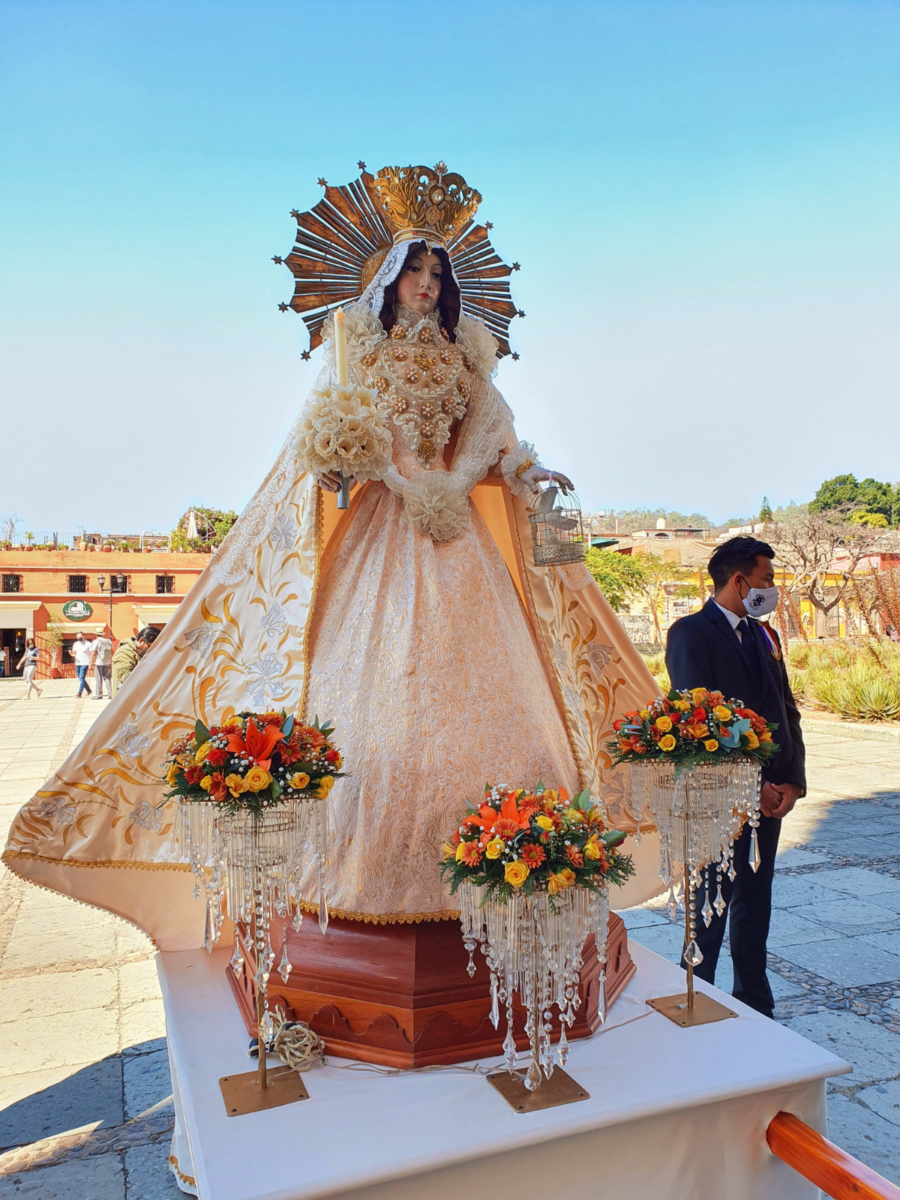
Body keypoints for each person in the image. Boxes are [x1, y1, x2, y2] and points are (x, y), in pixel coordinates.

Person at [4, 161, 660, 946]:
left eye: (435, 270)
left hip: (463, 550)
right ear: (386, 281)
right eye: (413, 268)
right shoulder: (359, 359)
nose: (425, 281)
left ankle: (515, 871)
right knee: (370, 704)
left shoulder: (468, 365)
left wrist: (527, 470)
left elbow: (498, 446)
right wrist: (347, 460)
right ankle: (358, 888)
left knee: (505, 711)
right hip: (383, 547)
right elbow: (323, 457)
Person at [665, 536, 806, 1018]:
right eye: (766, 579)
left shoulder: (765, 635)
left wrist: (792, 782)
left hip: (770, 798)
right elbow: (699, 722)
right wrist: (751, 784)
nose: (771, 587)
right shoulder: (690, 633)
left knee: (755, 907)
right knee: (711, 907)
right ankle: (692, 997)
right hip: (718, 798)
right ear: (740, 580)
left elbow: (788, 713)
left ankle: (754, 1005)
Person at [112, 627, 159, 694]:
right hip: (125, 699)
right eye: (150, 647)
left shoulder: (141, 652)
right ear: (141, 641)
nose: (152, 650)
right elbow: (126, 677)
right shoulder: (125, 651)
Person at [90, 630, 113, 699]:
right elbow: (112, 651)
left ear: (96, 635)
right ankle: (110, 694)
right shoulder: (108, 641)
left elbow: (93, 652)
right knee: (107, 678)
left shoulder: (96, 642)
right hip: (107, 661)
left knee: (98, 678)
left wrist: (91, 662)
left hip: (99, 662)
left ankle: (99, 695)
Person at [71, 632, 93, 698]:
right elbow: (74, 653)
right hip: (78, 663)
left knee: (82, 678)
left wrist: (91, 663)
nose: (79, 638)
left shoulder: (88, 644)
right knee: (80, 679)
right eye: (77, 637)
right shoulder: (76, 644)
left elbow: (92, 653)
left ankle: (79, 693)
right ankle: (88, 690)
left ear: (83, 636)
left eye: (80, 637)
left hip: (85, 662)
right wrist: (71, 653)